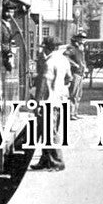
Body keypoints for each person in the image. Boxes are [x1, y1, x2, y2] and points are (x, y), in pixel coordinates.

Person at [32, 36, 70, 171]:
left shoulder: (48, 63)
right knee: (48, 131)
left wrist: (36, 103)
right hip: (59, 100)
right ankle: (45, 160)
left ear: (47, 48)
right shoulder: (64, 60)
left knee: (50, 132)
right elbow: (68, 78)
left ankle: (58, 162)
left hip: (48, 102)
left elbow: (42, 85)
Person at [63, 32, 88, 119]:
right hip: (75, 74)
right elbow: (65, 56)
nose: (83, 39)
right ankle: (70, 113)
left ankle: (75, 113)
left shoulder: (81, 49)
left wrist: (84, 69)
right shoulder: (72, 48)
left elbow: (82, 61)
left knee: (78, 95)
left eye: (84, 38)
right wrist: (74, 64)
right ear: (77, 38)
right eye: (81, 37)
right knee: (73, 94)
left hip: (80, 74)